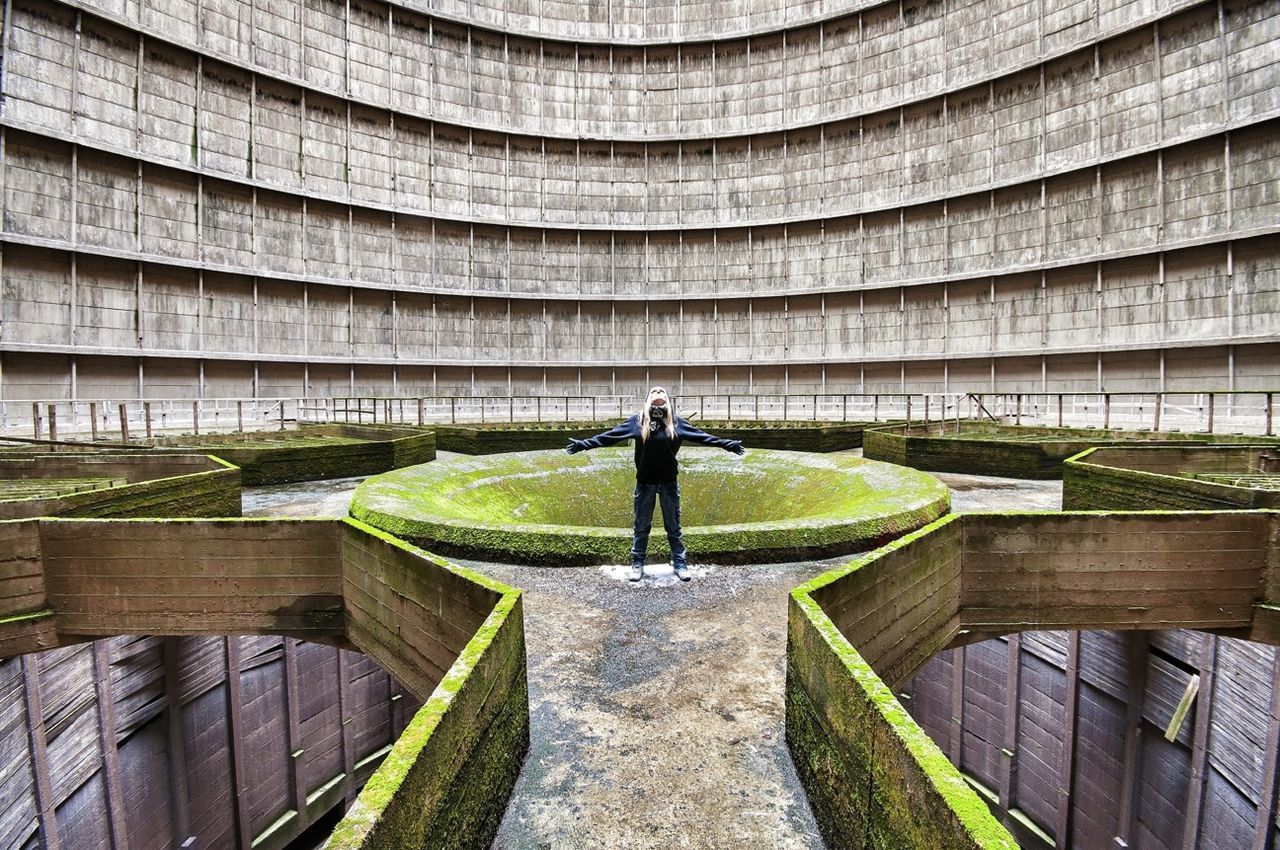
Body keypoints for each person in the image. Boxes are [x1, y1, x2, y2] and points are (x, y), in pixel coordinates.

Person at [565, 387, 746, 582]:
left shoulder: (676, 423)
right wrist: (583, 444)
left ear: (667, 399)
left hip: (668, 483)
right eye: (654, 390)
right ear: (648, 399)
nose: (658, 392)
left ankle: (679, 562)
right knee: (641, 526)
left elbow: (703, 437)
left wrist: (728, 444)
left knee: (673, 527)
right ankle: (637, 563)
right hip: (645, 483)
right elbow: (609, 436)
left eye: (662, 391)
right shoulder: (637, 421)